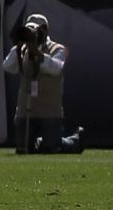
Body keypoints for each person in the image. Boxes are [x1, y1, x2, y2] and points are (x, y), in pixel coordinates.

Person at [6, 15, 77, 153]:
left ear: (46, 30)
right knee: (23, 148)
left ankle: (74, 141)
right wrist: (18, 47)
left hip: (49, 110)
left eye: (37, 30)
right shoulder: (22, 50)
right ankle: (39, 141)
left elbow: (56, 68)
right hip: (25, 109)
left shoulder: (58, 49)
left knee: (51, 148)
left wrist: (37, 53)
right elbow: (8, 66)